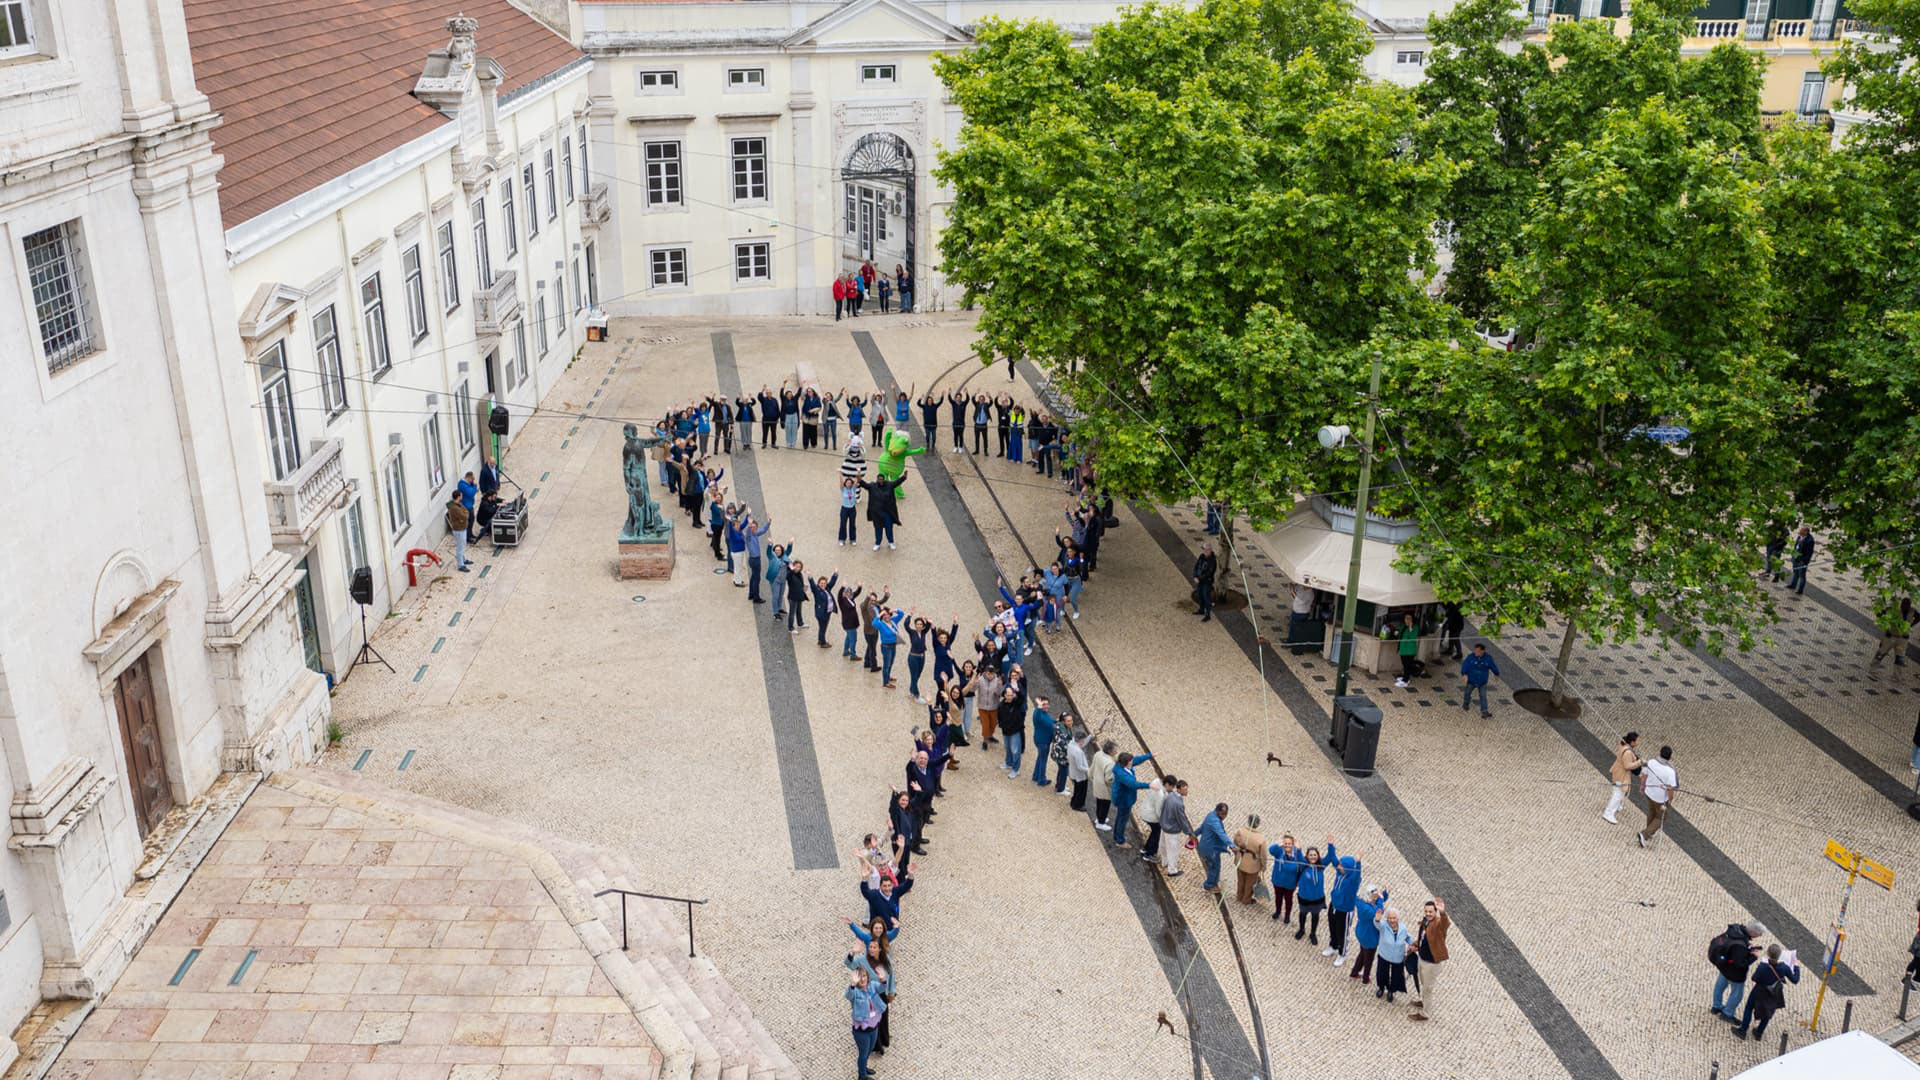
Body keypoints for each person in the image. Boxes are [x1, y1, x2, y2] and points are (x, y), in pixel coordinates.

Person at [1732, 944, 1800, 1041]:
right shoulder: (1784, 967)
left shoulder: (1763, 966)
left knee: (1749, 1008)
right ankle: (1759, 1033)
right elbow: (1795, 980)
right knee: (1768, 1011)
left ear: (1768, 954)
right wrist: (1796, 967)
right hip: (1774, 993)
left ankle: (1743, 1030)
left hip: (1759, 990)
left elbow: (1754, 978)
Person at [1711, 920, 1767, 1023]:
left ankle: (1716, 1006)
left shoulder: (1735, 930)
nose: (1759, 936)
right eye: (1759, 934)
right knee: (1737, 995)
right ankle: (1727, 1014)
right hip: (1734, 973)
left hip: (1724, 966)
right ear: (1753, 933)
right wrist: (1754, 957)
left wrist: (1749, 948)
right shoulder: (1740, 945)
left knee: (1720, 986)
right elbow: (1740, 964)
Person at [1408, 898, 1449, 1021]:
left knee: (1428, 988)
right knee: (1423, 983)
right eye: (1426, 911)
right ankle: (1424, 1001)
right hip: (1422, 958)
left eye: (1431, 911)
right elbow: (1422, 938)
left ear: (1435, 912)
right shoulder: (1426, 921)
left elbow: (1445, 924)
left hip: (1431, 963)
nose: (1428, 913)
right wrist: (1416, 946)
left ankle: (1425, 1013)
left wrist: (1443, 913)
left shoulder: (1438, 923)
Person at [846, 966, 886, 1079]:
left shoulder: (872, 985)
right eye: (860, 977)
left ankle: (864, 1067)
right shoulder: (855, 992)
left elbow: (883, 988)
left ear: (867, 977)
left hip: (874, 1027)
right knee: (863, 1054)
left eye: (864, 976)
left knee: (869, 1049)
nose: (862, 979)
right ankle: (862, 1076)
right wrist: (853, 985)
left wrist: (883, 979)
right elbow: (848, 995)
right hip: (861, 1031)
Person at [1326, 846, 1364, 966]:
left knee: (1342, 933)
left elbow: (1357, 874)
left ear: (1347, 868)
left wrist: (1358, 862)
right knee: (1332, 927)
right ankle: (1333, 945)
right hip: (1334, 905)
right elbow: (1334, 860)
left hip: (1345, 910)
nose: (1338, 866)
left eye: (1341, 865)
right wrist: (1331, 846)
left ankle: (1342, 954)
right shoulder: (1339, 873)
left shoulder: (1353, 881)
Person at [1110, 751, 1155, 847]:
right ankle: (1119, 840)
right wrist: (1149, 785)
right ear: (1126, 763)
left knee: (1120, 817)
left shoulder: (1122, 766)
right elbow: (1133, 784)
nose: (1132, 762)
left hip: (1124, 798)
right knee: (1122, 819)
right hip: (1123, 800)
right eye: (1130, 761)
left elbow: (1137, 760)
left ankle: (1117, 836)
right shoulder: (1122, 774)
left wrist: (1149, 755)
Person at [1374, 907, 1416, 1003]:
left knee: (1396, 976)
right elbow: (1377, 924)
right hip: (1384, 955)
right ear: (1387, 918)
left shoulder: (1403, 928)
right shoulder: (1383, 925)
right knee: (1381, 973)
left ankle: (1391, 991)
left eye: (1394, 918)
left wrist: (1413, 945)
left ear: (1398, 918)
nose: (1392, 920)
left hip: (1398, 957)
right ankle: (1381, 987)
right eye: (1390, 918)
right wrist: (1377, 918)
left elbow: (1408, 938)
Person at [1638, 745, 1676, 848]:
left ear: (1660, 752)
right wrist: (1670, 799)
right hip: (1660, 799)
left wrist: (1642, 786)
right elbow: (1670, 788)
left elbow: (1644, 775)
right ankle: (1645, 834)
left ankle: (1649, 831)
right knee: (1661, 817)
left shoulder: (1651, 762)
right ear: (1669, 757)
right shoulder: (1670, 771)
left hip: (1649, 792)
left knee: (1651, 811)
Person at [1351, 885, 1389, 985]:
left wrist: (1384, 894)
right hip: (1369, 936)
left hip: (1362, 933)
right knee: (1369, 959)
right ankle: (1365, 977)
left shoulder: (1362, 901)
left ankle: (1355, 971)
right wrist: (1381, 899)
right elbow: (1378, 912)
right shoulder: (1367, 909)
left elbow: (1378, 901)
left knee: (1363, 953)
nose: (1376, 897)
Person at [1294, 843, 1330, 945]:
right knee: (1303, 914)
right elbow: (1300, 858)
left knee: (1315, 916)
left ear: (1318, 856)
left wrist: (1330, 845)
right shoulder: (1303, 865)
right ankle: (1301, 929)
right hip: (1304, 898)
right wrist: (1299, 849)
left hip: (1317, 899)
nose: (1313, 857)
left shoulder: (1321, 866)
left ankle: (1313, 933)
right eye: (1310, 855)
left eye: (1315, 855)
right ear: (1307, 856)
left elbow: (1330, 857)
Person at [862, 472, 908, 551]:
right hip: (877, 513)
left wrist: (904, 477)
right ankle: (877, 543)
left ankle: (891, 542)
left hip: (887, 512)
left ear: (884, 479)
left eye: (882, 479)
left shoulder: (889, 485)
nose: (880, 481)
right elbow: (864, 484)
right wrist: (858, 476)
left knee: (889, 528)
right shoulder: (872, 486)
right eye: (879, 479)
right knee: (878, 529)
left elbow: (897, 482)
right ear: (876, 479)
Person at [1604, 732, 1644, 825]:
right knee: (1618, 794)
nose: (1639, 742)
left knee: (1620, 792)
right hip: (1621, 775)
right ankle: (1608, 813)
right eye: (1637, 740)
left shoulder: (1625, 746)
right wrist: (1639, 762)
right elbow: (1627, 766)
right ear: (1632, 742)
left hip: (1619, 772)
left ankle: (1616, 806)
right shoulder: (1628, 752)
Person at [1268, 834, 1306, 925]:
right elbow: (1271, 850)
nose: (1287, 845)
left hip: (1290, 884)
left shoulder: (1297, 854)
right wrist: (1277, 845)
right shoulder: (1279, 852)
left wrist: (1300, 850)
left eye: (1289, 843)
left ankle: (1287, 915)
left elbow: (1303, 864)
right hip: (1278, 881)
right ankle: (1278, 911)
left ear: (1293, 844)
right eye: (1285, 843)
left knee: (1288, 900)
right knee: (1278, 898)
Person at [1231, 813, 1267, 904]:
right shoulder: (1261, 838)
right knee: (1250, 884)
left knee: (1241, 880)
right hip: (1253, 864)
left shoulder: (1240, 831)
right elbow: (1263, 855)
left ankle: (1239, 895)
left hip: (1240, 859)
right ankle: (1246, 899)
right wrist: (1263, 866)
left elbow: (1235, 841)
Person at [1197, 803, 1233, 894]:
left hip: (1207, 846)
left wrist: (1194, 834)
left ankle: (1214, 882)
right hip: (1211, 849)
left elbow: (1202, 827)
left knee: (1214, 865)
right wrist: (1232, 846)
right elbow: (1221, 834)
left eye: (1225, 814)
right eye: (1222, 814)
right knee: (1214, 866)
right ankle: (1209, 885)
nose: (1224, 816)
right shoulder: (1215, 822)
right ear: (1218, 811)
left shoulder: (1210, 815)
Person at [1159, 779, 1192, 876]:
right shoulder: (1178, 804)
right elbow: (1181, 819)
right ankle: (1172, 870)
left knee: (1164, 846)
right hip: (1172, 830)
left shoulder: (1169, 796)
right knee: (1173, 851)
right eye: (1185, 789)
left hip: (1164, 826)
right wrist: (1189, 832)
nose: (1186, 791)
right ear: (1179, 789)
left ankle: (1164, 862)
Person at [1459, 643, 1500, 717]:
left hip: (1482, 681)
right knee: (1467, 692)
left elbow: (1493, 666)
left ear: (1482, 651)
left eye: (1477, 651)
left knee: (1483, 696)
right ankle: (1466, 703)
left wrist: (1496, 674)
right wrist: (1464, 674)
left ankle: (1484, 711)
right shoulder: (1470, 657)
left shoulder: (1488, 658)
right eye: (1475, 650)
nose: (1475, 652)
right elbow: (1465, 665)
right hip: (1471, 680)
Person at [1872, 600, 1915, 667]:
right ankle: (1873, 669)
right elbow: (1879, 614)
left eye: (1907, 605)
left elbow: (1918, 617)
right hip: (1891, 636)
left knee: (1899, 659)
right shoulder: (1894, 610)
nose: (1904, 606)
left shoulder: (1912, 612)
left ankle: (1897, 676)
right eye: (1903, 604)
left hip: (1902, 639)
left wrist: (1910, 625)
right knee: (1881, 653)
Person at [743, 515, 773, 604]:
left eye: (755, 527)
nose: (754, 528)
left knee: (753, 577)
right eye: (752, 527)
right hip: (754, 560)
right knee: (757, 579)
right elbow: (747, 532)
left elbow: (763, 530)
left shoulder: (755, 533)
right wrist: (749, 525)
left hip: (755, 559)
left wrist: (768, 523)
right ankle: (756, 597)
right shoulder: (748, 536)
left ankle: (751, 594)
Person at [1028, 696, 1056, 785]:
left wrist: (1057, 721)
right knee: (1043, 760)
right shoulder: (1038, 713)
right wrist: (1039, 705)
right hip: (1042, 741)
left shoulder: (1044, 713)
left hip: (1043, 740)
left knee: (1040, 758)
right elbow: (1038, 716)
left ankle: (1036, 776)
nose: (1046, 706)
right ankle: (1041, 780)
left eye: (1047, 704)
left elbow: (1049, 721)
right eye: (1044, 704)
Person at [1089, 740, 1116, 830]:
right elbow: (1109, 779)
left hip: (1097, 782)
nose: (1116, 752)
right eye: (1115, 750)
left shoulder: (1098, 754)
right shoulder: (1110, 763)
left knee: (1099, 802)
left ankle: (1099, 818)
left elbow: (1092, 766)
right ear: (1110, 751)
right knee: (1105, 805)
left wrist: (1090, 776)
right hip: (1105, 787)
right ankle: (1101, 822)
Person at [1394, 613, 1421, 688]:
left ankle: (1405, 680)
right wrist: (1397, 633)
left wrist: (1410, 628)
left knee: (1407, 665)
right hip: (1403, 649)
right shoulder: (1403, 625)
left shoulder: (1415, 627)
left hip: (1410, 650)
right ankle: (1405, 677)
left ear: (1412, 619)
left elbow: (1412, 637)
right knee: (1404, 664)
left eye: (1409, 618)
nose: (1407, 620)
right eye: (1406, 618)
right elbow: (1401, 635)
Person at [445, 494, 472, 571]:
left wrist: (465, 513)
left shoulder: (458, 504)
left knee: (463, 545)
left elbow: (465, 511)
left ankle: (463, 559)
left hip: (462, 527)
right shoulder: (454, 508)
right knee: (460, 547)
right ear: (458, 497)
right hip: (459, 529)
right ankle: (461, 565)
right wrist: (465, 514)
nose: (462, 496)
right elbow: (465, 516)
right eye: (461, 495)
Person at [1067, 732, 1092, 810]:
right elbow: (1080, 766)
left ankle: (1073, 802)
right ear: (1080, 740)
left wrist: (1090, 737)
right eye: (1083, 740)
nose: (1084, 742)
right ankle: (1077, 806)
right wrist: (1090, 770)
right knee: (1081, 791)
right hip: (1079, 775)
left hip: (1073, 772)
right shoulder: (1078, 751)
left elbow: (1083, 744)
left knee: (1077, 789)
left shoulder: (1071, 744)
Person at [1193, 545, 1217, 622]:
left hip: (1207, 582)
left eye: (1207, 550)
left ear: (1210, 550)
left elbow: (1209, 573)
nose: (1205, 552)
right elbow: (1196, 566)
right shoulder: (1202, 556)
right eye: (1204, 550)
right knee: (1200, 595)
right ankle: (1201, 610)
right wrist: (1195, 575)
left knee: (1206, 597)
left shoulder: (1213, 560)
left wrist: (1199, 578)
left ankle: (1208, 615)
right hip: (1199, 580)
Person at [1788, 525, 1814, 596]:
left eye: (1801, 530)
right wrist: (1793, 556)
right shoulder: (1800, 536)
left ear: (1806, 532)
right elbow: (1796, 546)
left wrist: (1804, 561)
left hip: (1802, 560)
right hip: (1796, 558)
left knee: (1802, 575)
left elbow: (1809, 553)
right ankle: (1793, 585)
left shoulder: (1810, 540)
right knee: (1795, 572)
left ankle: (1800, 590)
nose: (1800, 531)